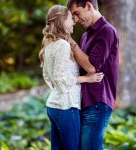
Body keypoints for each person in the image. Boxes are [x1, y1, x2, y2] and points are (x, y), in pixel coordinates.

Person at [39, 5, 104, 150]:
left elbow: (47, 75)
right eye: (70, 18)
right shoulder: (62, 45)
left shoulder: (49, 44)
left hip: (53, 106)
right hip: (66, 107)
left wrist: (57, 89)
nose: (74, 21)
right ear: (62, 21)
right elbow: (61, 79)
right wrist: (86, 79)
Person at [67, 0, 119, 150]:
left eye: (77, 13)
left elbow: (91, 67)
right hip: (84, 102)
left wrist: (69, 41)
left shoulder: (107, 31)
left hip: (97, 102)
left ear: (89, 6)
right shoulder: (85, 36)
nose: (75, 20)